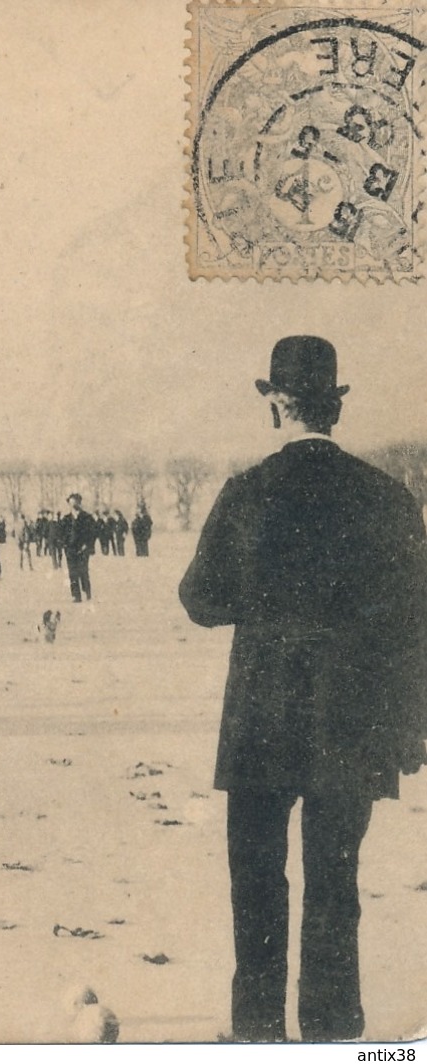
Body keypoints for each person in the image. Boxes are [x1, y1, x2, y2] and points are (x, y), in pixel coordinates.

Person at [179, 336, 427, 1043]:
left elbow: (200, 599)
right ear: (334, 406)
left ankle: (257, 1034)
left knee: (256, 884)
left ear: (276, 405)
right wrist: (409, 729)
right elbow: (416, 626)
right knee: (333, 888)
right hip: (353, 723)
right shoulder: (388, 499)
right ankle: (330, 1035)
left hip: (260, 717)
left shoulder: (246, 492)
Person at [63, 493, 97, 603]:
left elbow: (93, 533)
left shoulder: (87, 517)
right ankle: (76, 596)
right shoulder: (66, 519)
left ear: (79, 503)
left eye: (75, 502)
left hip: (83, 549)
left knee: (83, 571)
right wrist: (65, 546)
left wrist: (87, 545)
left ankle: (87, 592)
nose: (73, 505)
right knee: (72, 573)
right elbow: (61, 534)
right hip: (70, 550)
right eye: (71, 502)